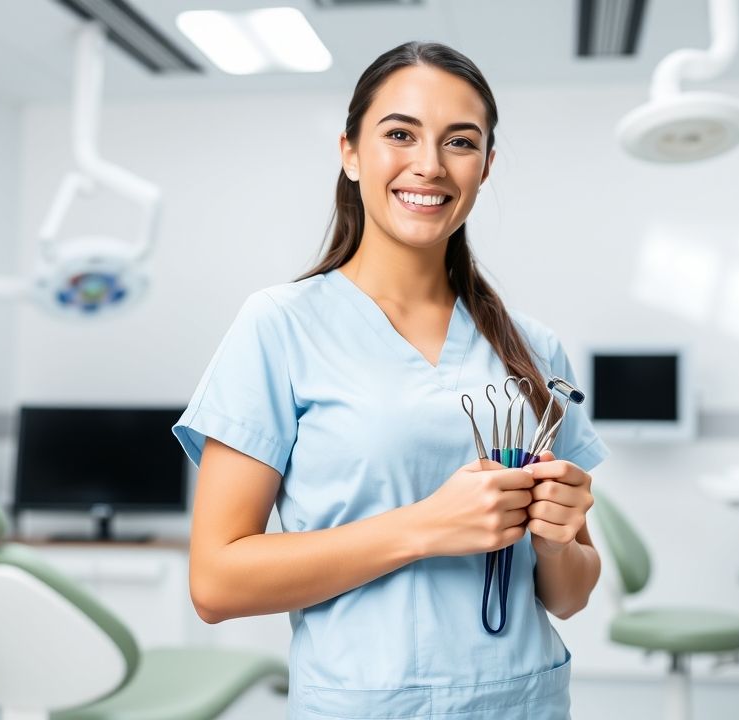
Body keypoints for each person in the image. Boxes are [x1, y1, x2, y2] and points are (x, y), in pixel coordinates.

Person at [173, 41, 610, 720]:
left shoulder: (534, 349)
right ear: (350, 152)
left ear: (486, 166)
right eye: (400, 133)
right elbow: (216, 583)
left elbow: (571, 595)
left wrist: (556, 538)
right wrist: (426, 527)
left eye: (460, 142)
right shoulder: (279, 327)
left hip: (522, 701)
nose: (429, 165)